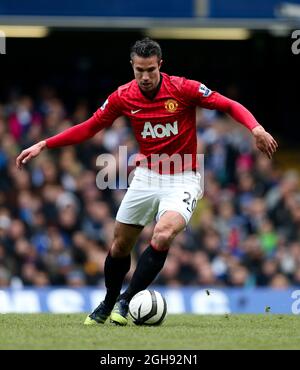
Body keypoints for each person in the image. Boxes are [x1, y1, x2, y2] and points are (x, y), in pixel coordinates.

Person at [16, 38, 278, 326]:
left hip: (183, 176)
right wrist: (45, 144)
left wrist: (256, 128)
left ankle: (127, 301)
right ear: (132, 66)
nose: (145, 76)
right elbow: (90, 127)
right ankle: (107, 303)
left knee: (163, 234)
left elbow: (227, 104)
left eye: (150, 69)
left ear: (160, 65)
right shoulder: (123, 96)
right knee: (119, 246)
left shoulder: (183, 88)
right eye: (139, 70)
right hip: (146, 177)